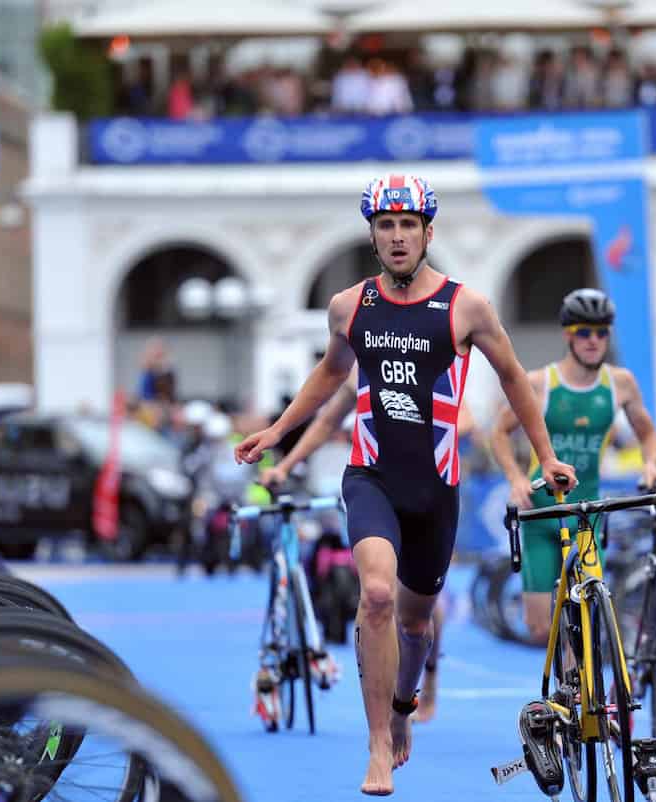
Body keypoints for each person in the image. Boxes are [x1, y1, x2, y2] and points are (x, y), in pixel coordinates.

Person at [235, 174, 577, 796]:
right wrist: (276, 432)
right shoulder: (350, 306)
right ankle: (375, 746)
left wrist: (545, 456)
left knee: (417, 625)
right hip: (371, 478)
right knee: (376, 596)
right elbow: (329, 376)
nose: (397, 237)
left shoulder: (464, 306)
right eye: (385, 226)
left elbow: (515, 381)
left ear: (427, 233)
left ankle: (402, 708)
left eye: (407, 226)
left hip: (435, 491)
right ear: (372, 235)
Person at [261, 372, 451, 724]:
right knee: (380, 592)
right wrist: (286, 465)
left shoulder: (438, 359)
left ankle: (431, 675)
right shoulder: (363, 364)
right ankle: (388, 714)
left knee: (421, 612)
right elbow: (326, 418)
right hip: (377, 495)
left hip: (430, 493)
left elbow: (463, 417)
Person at [488, 288, 656, 645]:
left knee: (587, 616)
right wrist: (514, 478)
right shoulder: (541, 383)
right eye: (584, 332)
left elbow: (649, 434)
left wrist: (652, 465)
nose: (593, 340)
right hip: (541, 515)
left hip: (588, 514)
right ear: (567, 335)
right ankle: (564, 682)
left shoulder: (620, 384)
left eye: (601, 332)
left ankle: (577, 693)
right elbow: (498, 431)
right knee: (540, 626)